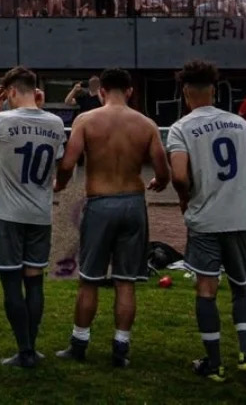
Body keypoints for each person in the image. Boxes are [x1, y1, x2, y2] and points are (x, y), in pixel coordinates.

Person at [166, 59, 246, 383]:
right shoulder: (241, 125)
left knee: (206, 290)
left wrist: (185, 200)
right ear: (214, 90)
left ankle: (214, 364)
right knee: (242, 287)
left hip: (205, 221)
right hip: (238, 220)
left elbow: (179, 176)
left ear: (186, 92)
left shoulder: (181, 128)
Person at [57, 67, 169, 367]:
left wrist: (60, 184)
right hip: (133, 202)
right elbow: (163, 168)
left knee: (89, 279)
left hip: (100, 202)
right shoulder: (146, 124)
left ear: (101, 91)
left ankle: (79, 343)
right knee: (125, 281)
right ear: (130, 91)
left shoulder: (86, 120)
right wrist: (159, 182)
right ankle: (121, 347)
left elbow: (68, 162)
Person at [0, 67, 66, 368]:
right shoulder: (56, 123)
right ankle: (32, 346)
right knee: (34, 282)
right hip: (40, 213)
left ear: (11, 92)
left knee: (11, 282)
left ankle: (25, 350)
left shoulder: (0, 120)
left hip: (8, 213)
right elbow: (59, 160)